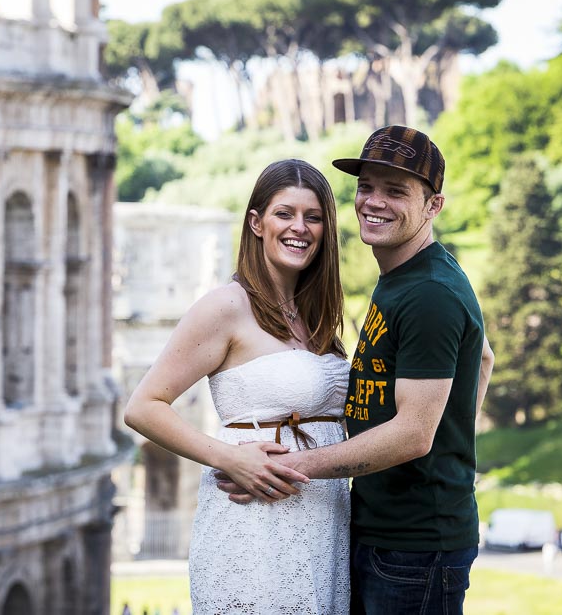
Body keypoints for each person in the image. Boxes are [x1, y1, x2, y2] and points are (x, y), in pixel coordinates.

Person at [218, 125, 495, 615]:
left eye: (396, 191)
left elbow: (412, 436)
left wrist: (282, 468)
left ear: (434, 206)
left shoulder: (429, 292)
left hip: (414, 546)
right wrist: (452, 438)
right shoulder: (404, 277)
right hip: (389, 532)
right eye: (366, 186)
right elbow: (485, 358)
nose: (374, 202)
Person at [124, 159, 352, 613]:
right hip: (253, 524)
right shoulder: (226, 306)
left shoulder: (315, 315)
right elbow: (143, 406)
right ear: (256, 223)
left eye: (313, 217)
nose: (299, 228)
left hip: (323, 521)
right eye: (284, 213)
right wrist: (228, 456)